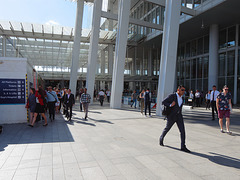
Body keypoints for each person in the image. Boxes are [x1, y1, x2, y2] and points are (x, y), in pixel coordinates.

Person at [159, 85, 191, 153]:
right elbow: (163, 102)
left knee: (182, 131)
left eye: (184, 90)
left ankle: (183, 146)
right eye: (182, 90)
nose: (183, 91)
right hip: (171, 116)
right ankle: (161, 138)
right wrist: (170, 105)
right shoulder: (172, 96)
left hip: (179, 116)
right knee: (167, 128)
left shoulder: (182, 98)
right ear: (178, 90)